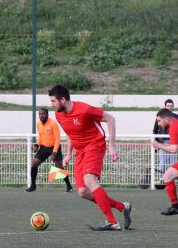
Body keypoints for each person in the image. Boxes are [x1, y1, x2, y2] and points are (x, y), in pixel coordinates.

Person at [48, 85, 132, 231]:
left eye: (53, 101)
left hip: (95, 145)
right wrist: (68, 153)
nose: (52, 104)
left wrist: (112, 146)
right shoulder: (58, 114)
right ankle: (122, 207)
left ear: (63, 99)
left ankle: (113, 222)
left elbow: (110, 119)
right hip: (80, 152)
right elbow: (69, 133)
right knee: (83, 192)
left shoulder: (84, 109)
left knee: (89, 180)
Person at [25, 108, 73, 193]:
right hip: (44, 147)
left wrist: (54, 153)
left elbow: (58, 139)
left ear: (47, 115)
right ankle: (33, 186)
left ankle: (69, 186)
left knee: (59, 167)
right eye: (40, 114)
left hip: (55, 147)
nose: (41, 115)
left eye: (43, 114)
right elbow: (40, 136)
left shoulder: (53, 123)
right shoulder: (38, 124)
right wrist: (36, 145)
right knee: (34, 163)